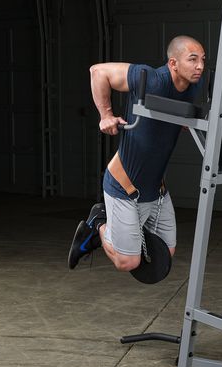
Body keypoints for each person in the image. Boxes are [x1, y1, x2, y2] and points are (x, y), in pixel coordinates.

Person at [68, 35, 205, 272]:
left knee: (164, 254)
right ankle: (98, 225)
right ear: (173, 63)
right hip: (124, 184)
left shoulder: (193, 86)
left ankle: (118, 232)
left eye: (202, 59)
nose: (200, 66)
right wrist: (106, 115)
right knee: (128, 262)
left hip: (155, 187)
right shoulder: (151, 79)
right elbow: (98, 71)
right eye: (192, 59)